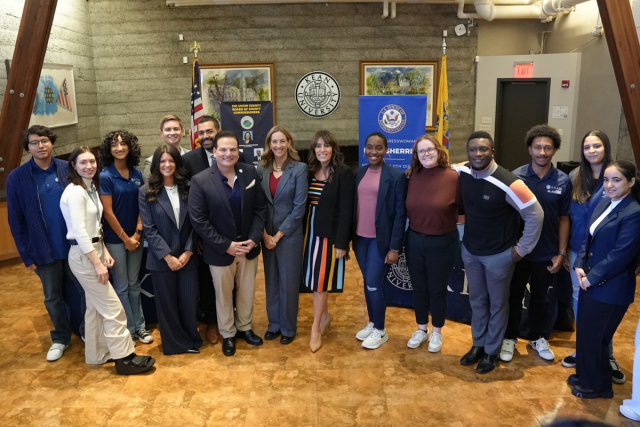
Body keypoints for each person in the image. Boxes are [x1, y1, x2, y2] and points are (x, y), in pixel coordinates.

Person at [60, 146, 155, 375]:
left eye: (92, 162)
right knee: (114, 309)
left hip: (95, 249)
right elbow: (81, 232)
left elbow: (95, 227)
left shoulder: (89, 187)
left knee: (94, 309)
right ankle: (125, 358)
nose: (89, 166)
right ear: (73, 165)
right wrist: (97, 262)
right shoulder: (75, 191)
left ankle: (95, 354)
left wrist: (105, 253)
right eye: (83, 162)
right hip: (85, 255)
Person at [457, 131, 543, 374]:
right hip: (471, 251)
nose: (478, 153)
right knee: (477, 301)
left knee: (497, 304)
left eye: (484, 149)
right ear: (468, 152)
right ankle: (478, 344)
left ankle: (491, 351)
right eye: (473, 149)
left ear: (492, 152)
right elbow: (440, 167)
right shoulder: (463, 172)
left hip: (499, 256)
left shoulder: (509, 181)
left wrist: (522, 249)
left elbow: (536, 214)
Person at [6, 125, 86, 362]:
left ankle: (83, 330)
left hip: (74, 247)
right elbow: (15, 221)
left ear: (52, 143)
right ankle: (60, 337)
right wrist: (26, 256)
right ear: (27, 147)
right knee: (52, 296)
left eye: (44, 141)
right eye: (34, 142)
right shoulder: (17, 177)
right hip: (43, 250)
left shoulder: (68, 169)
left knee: (81, 291)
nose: (40, 146)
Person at [188, 130, 266, 357]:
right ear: (214, 152)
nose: (228, 153)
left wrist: (253, 238)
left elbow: (260, 209)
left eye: (233, 149)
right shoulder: (201, 180)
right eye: (222, 149)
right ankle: (228, 334)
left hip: (249, 248)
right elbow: (199, 220)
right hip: (220, 251)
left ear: (238, 151)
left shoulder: (250, 172)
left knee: (247, 291)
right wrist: (226, 245)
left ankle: (245, 328)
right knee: (223, 295)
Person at [569, 160, 640, 399]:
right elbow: (586, 239)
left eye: (616, 180)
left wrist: (591, 278)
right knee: (587, 335)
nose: (609, 185)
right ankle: (585, 376)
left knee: (596, 338)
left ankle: (598, 387)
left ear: (631, 182)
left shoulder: (634, 213)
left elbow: (620, 255)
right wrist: (579, 265)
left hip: (610, 288)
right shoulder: (604, 202)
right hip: (590, 281)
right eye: (606, 180)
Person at [501, 125, 571, 363]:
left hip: (547, 254)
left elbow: (564, 218)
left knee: (540, 299)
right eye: (538, 147)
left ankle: (537, 336)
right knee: (513, 296)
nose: (542, 152)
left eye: (548, 148)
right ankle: (509, 336)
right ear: (530, 149)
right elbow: (507, 217)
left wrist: (561, 252)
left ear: (554, 151)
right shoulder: (515, 176)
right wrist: (511, 249)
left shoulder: (563, 181)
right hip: (519, 253)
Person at [561, 131, 625, 383]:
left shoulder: (615, 176)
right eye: (587, 146)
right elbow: (566, 216)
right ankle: (583, 352)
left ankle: (605, 355)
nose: (591, 150)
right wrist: (563, 250)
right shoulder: (575, 177)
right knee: (580, 305)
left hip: (606, 253)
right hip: (577, 251)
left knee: (602, 307)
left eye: (596, 145)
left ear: (605, 147)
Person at [138, 145, 202, 355]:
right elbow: (149, 228)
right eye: (162, 161)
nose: (167, 165)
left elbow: (196, 223)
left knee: (189, 301)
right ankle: (174, 344)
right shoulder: (146, 191)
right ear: (156, 164)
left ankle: (191, 339)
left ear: (177, 163)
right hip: (161, 259)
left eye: (171, 161)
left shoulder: (190, 187)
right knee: (167, 305)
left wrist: (187, 252)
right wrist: (168, 257)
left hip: (187, 256)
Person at [302, 130, 355, 353]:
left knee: (321, 280)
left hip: (328, 235)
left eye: (326, 146)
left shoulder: (343, 173)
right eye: (318, 146)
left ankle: (315, 327)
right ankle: (325, 316)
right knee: (314, 278)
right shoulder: (308, 171)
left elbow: (346, 211)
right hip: (306, 233)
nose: (322, 150)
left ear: (334, 148)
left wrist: (342, 242)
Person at [403, 135, 457, 353]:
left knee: (437, 290)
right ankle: (421, 329)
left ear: (439, 150)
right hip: (414, 239)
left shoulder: (453, 177)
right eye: (421, 151)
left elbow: (463, 209)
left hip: (443, 241)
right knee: (419, 288)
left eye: (430, 150)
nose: (426, 154)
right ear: (416, 155)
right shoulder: (410, 176)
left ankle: (436, 332)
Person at [353, 132, 406, 350]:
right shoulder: (358, 173)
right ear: (364, 149)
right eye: (369, 147)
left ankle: (381, 330)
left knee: (374, 284)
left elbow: (400, 214)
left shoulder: (395, 176)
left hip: (380, 241)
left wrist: (394, 247)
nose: (373, 152)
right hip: (359, 239)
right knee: (368, 283)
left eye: (379, 148)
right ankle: (373, 321)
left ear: (386, 150)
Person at [98, 130, 152, 345]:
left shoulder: (137, 174)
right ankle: (128, 328)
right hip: (115, 240)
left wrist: (137, 233)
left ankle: (140, 327)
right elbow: (107, 212)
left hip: (136, 238)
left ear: (130, 147)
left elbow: (142, 205)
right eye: (114, 144)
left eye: (123, 143)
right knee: (121, 286)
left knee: (134, 284)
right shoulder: (105, 176)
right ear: (109, 150)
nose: (119, 147)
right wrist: (125, 238)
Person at [257, 125, 308, 344]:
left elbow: (299, 209)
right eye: (274, 141)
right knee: (272, 280)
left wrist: (277, 236)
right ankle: (274, 324)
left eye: (282, 141)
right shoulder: (261, 169)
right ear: (269, 145)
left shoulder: (299, 169)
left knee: (288, 282)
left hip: (289, 236)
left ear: (289, 143)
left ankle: (288, 327)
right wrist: (264, 234)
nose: (278, 145)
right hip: (266, 235)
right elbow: (258, 204)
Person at [182, 115, 222, 345]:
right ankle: (212, 322)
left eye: (210, 131)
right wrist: (195, 236)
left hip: (229, 232)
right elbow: (188, 202)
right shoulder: (189, 160)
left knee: (229, 280)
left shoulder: (231, 153)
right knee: (206, 280)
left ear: (218, 131)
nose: (205, 136)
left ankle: (229, 316)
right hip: (202, 234)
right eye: (202, 132)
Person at [143, 115, 190, 182]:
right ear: (161, 133)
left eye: (176, 129)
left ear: (182, 131)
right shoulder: (151, 162)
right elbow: (149, 188)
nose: (172, 133)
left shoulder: (192, 157)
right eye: (168, 129)